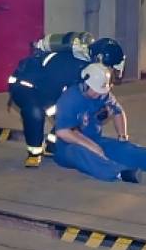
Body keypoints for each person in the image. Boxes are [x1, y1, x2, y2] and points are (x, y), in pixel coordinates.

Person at [8, 36, 126, 167]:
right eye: (109, 67)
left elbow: (110, 105)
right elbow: (59, 95)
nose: (108, 72)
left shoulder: (89, 68)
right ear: (100, 59)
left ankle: (52, 145)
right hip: (26, 84)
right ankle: (34, 153)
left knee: (71, 114)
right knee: (35, 112)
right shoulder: (72, 65)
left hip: (49, 87)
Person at [53, 63, 146, 183]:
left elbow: (118, 111)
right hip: (68, 147)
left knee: (126, 151)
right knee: (82, 154)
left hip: (96, 140)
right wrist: (91, 146)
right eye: (96, 90)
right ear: (85, 84)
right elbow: (63, 132)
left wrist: (122, 137)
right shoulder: (69, 99)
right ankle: (119, 172)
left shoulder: (102, 95)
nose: (99, 94)